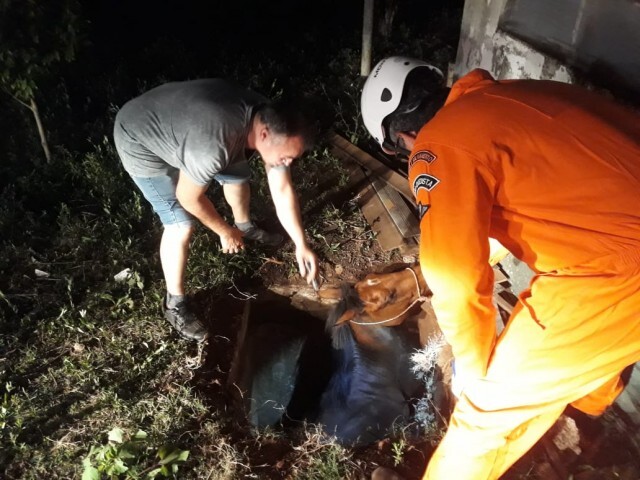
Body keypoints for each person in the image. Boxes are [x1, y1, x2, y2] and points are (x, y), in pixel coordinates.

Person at [361, 56, 640, 479]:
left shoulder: (438, 144)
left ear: (403, 135)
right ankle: (587, 418)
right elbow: (497, 225)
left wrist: (472, 372)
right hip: (617, 247)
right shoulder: (510, 97)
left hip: (616, 270)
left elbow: (454, 276)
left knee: (485, 411)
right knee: (588, 346)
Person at [114, 79, 321, 343]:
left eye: (292, 158)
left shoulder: (265, 116)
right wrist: (224, 231)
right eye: (286, 158)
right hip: (138, 136)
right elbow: (188, 197)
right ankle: (174, 303)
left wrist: (301, 244)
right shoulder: (213, 145)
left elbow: (281, 189)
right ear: (265, 135)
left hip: (188, 123)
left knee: (238, 177)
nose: (288, 163)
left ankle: (245, 226)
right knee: (180, 223)